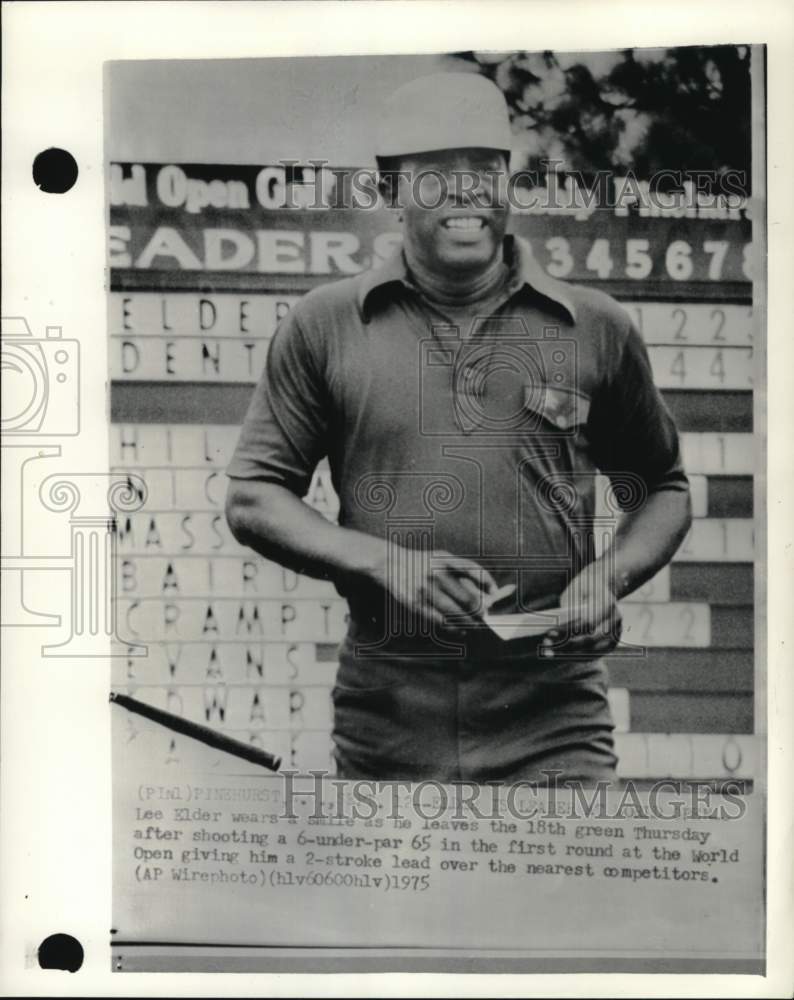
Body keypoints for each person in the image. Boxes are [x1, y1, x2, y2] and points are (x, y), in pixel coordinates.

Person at [225, 72, 691, 784]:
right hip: (389, 710)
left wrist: (609, 578)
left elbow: (665, 487)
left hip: (553, 712)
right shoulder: (324, 325)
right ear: (391, 192)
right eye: (438, 174)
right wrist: (389, 564)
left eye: (486, 169)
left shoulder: (595, 325)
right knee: (397, 900)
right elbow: (254, 496)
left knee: (567, 897)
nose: (467, 191)